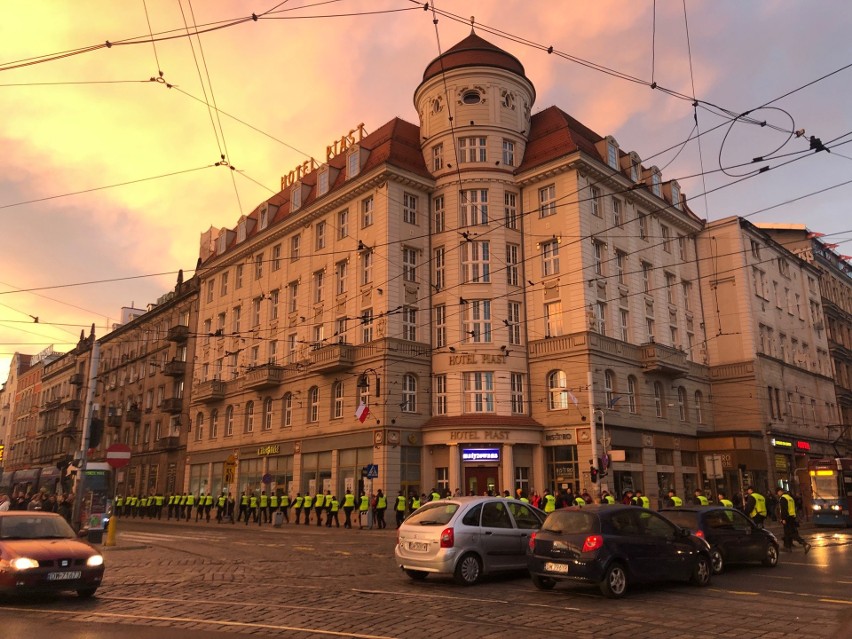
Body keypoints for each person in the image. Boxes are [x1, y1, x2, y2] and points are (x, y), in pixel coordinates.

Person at [776, 488, 811, 554]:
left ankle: (804, 544)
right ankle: (788, 547)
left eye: (778, 493)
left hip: (787, 517)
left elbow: (784, 510)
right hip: (792, 517)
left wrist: (783, 519)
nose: (778, 494)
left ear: (780, 492)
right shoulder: (790, 498)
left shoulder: (783, 498)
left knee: (791, 533)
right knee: (787, 533)